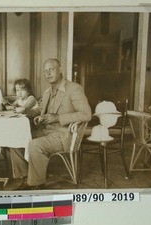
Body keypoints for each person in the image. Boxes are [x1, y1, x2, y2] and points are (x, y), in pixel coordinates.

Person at [10, 58, 92, 190]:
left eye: (51, 69)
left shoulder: (74, 89)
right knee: (14, 139)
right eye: (45, 71)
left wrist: (58, 118)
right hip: (46, 131)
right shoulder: (47, 91)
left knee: (34, 144)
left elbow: (86, 114)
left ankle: (36, 184)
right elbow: (40, 110)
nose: (48, 73)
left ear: (60, 69)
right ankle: (27, 177)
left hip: (64, 135)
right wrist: (35, 115)